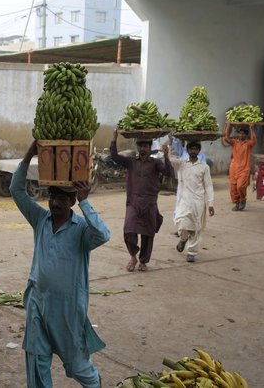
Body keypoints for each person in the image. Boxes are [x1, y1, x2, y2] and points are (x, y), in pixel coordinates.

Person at [10, 140, 110, 388]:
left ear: (72, 201)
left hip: (67, 308)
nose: (54, 203)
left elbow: (103, 235)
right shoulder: (40, 220)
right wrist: (28, 155)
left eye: (62, 198)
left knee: (77, 365)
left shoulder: (82, 230)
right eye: (52, 197)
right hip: (37, 301)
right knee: (36, 359)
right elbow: (17, 191)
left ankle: (95, 382)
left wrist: (87, 202)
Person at [111, 129, 172, 272]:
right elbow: (114, 157)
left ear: (150, 147)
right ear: (137, 147)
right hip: (133, 202)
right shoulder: (131, 161)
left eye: (145, 146)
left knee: (147, 234)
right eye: (140, 146)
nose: (143, 148)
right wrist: (114, 139)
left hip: (150, 203)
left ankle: (143, 261)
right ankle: (133, 256)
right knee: (129, 230)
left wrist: (167, 157)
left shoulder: (156, 163)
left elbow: (168, 173)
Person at [170, 140, 215, 263]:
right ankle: (183, 239)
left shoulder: (204, 167)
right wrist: (168, 147)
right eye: (191, 149)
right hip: (184, 200)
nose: (193, 151)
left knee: (195, 227)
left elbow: (209, 186)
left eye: (196, 149)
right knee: (181, 222)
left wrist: (211, 203)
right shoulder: (182, 164)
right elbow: (171, 160)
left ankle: (191, 252)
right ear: (188, 150)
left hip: (198, 201)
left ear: (198, 151)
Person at [225, 122, 256, 211]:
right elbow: (226, 138)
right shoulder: (234, 142)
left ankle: (243, 200)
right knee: (233, 188)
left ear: (246, 135)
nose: (241, 135)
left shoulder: (248, 144)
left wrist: (251, 128)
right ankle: (237, 203)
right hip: (234, 168)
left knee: (240, 186)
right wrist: (228, 126)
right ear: (238, 134)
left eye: (243, 134)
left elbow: (254, 140)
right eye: (240, 133)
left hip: (244, 169)